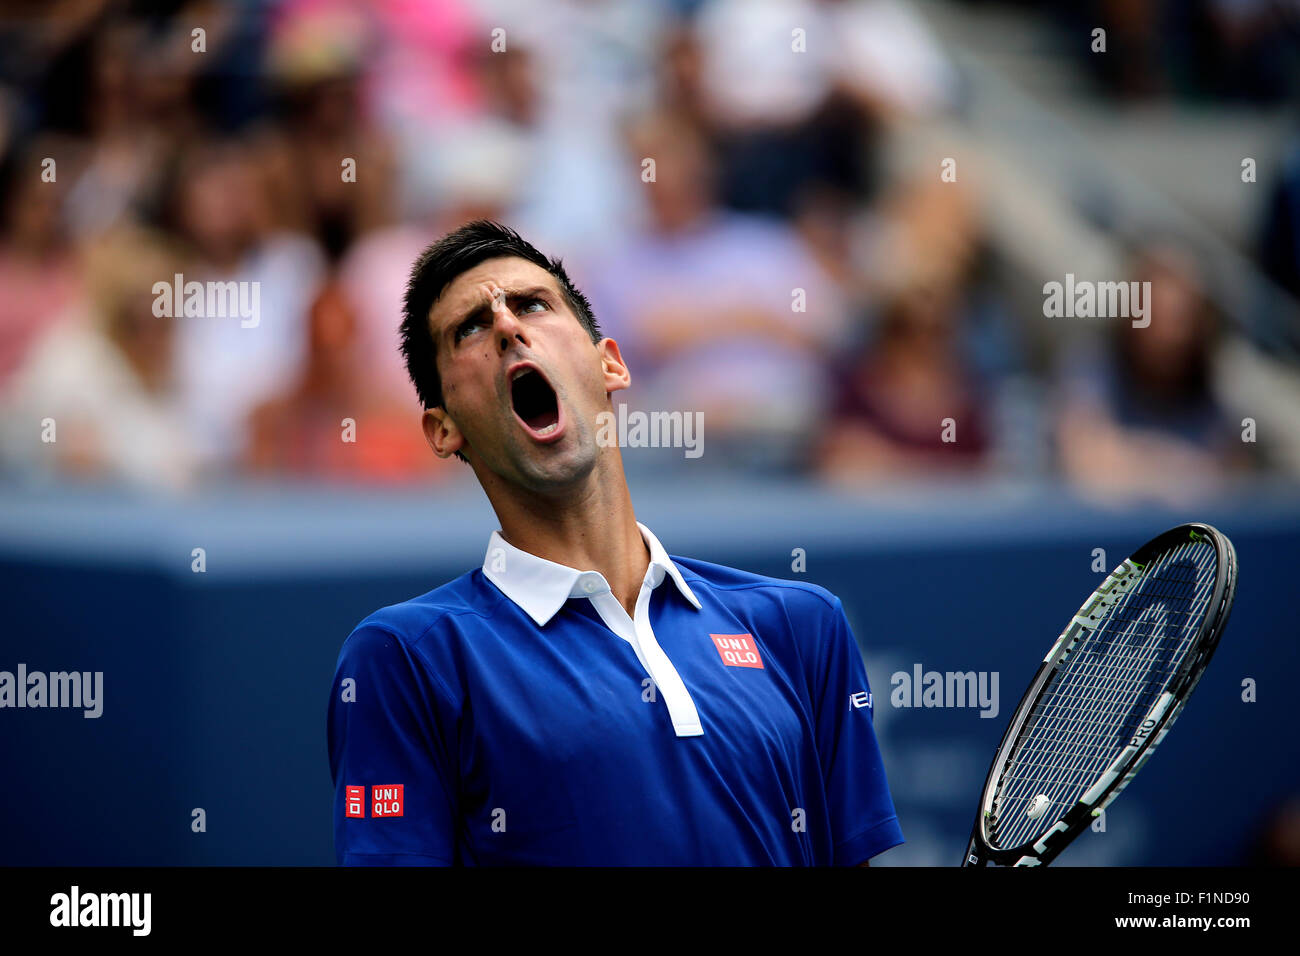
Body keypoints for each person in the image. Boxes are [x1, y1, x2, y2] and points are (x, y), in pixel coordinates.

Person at [326, 220, 903, 865]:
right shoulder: (404, 660)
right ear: (443, 428)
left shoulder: (803, 627)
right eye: (469, 329)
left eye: (532, 304)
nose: (508, 327)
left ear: (611, 364)